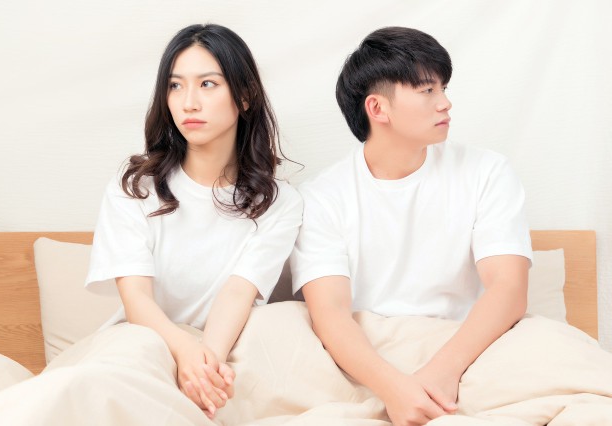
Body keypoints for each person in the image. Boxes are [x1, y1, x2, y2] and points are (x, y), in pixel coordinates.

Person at [290, 26, 532, 426]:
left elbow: (509, 288)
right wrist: (394, 389)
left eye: (443, 88)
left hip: (466, 349)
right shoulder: (322, 196)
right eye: (427, 91)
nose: (445, 103)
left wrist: (441, 373)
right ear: (377, 108)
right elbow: (330, 312)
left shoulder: (487, 172)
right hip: (369, 358)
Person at [82, 23, 302, 419]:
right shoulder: (136, 187)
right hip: (144, 340)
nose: (188, 103)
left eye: (207, 84)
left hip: (219, 349)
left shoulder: (280, 204)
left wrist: (205, 367)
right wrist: (184, 351)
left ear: (245, 95)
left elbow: (237, 293)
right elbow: (137, 300)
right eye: (175, 86)